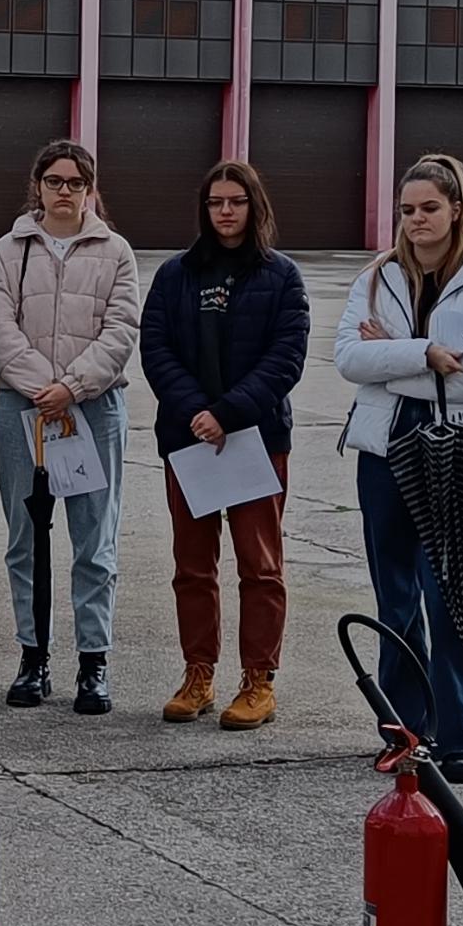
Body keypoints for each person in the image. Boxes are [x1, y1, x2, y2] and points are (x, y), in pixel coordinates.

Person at [335, 153, 463, 777]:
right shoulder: (378, 275)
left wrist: (392, 357)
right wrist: (425, 354)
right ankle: (404, 730)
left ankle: (460, 738)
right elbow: (348, 360)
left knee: (452, 596)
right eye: (407, 210)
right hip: (384, 450)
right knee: (396, 598)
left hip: (460, 448)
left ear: (456, 209)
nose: (416, 220)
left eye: (429, 208)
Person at [141, 159, 310, 729]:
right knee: (192, 566)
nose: (226, 211)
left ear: (254, 205)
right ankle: (198, 675)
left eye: (236, 201)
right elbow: (156, 350)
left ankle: (258, 681)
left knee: (260, 567)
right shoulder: (175, 276)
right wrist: (198, 413)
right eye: (216, 202)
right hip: (190, 441)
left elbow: (286, 358)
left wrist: (230, 412)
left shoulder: (281, 275)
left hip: (256, 441)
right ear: (204, 208)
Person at [0, 139, 143, 714]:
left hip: (92, 411)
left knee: (95, 541)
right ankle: (33, 656)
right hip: (21, 408)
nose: (65, 191)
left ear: (89, 189)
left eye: (75, 182)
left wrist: (71, 388)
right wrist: (41, 388)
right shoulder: (9, 249)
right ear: (38, 186)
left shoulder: (116, 251)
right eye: (55, 181)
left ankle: (93, 663)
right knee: (25, 539)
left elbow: (122, 329)